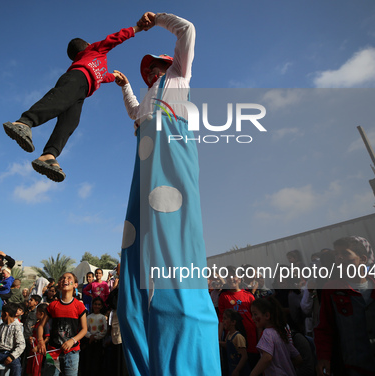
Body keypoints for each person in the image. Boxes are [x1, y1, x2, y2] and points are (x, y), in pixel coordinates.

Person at [114, 11, 221, 375]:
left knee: (172, 222)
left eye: (157, 66)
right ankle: (146, 350)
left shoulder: (179, 77)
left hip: (172, 152)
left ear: (169, 63)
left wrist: (156, 18)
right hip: (145, 163)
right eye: (149, 71)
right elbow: (135, 112)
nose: (153, 73)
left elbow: (188, 29)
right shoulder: (145, 97)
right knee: (137, 236)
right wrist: (126, 86)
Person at [2, 17, 149, 183]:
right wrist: (137, 28)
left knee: (71, 122)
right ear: (87, 46)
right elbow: (114, 38)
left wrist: (114, 76)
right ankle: (24, 122)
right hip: (76, 79)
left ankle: (49, 155)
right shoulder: (94, 50)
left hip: (82, 91)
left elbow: (100, 77)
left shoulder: (92, 62)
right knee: (58, 101)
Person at [314, 236, 375, 376]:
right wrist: (324, 356)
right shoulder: (331, 289)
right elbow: (325, 327)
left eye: (345, 253)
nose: (339, 258)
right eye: (336, 255)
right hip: (355, 366)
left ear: (362, 259)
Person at [36, 272, 87, 376]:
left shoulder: (79, 306)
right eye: (63, 278)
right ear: (59, 284)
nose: (65, 280)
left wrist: (72, 341)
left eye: (69, 278)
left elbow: (84, 329)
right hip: (52, 351)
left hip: (72, 352)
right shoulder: (53, 305)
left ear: (75, 285)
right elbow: (41, 326)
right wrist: (40, 341)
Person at [249, 297, 302, 376]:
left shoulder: (267, 333)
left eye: (255, 314)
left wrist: (252, 374)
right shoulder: (282, 333)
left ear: (267, 315)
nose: (252, 318)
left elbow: (267, 358)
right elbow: (299, 359)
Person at [82, 297, 107, 375]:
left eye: (99, 304)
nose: (97, 306)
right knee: (89, 361)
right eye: (95, 304)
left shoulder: (102, 317)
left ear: (101, 306)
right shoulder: (89, 317)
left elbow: (104, 330)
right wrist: (90, 336)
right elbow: (85, 329)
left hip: (99, 342)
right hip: (89, 342)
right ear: (92, 305)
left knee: (98, 361)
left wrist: (95, 337)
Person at [222, 309, 250, 376]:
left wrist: (237, 370)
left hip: (240, 371)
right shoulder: (229, 334)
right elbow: (227, 345)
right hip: (232, 367)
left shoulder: (238, 337)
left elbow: (244, 356)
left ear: (233, 322)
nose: (223, 321)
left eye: (225, 318)